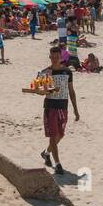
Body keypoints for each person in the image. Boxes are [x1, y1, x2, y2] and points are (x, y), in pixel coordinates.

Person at [39, 44, 79, 175]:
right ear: (49, 57)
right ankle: (58, 164)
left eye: (57, 56)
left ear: (61, 57)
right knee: (53, 136)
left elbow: (71, 91)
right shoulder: (45, 72)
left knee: (60, 135)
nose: (55, 59)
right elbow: (39, 91)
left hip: (63, 107)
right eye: (53, 57)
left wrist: (76, 110)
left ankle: (46, 153)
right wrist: (44, 89)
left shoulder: (67, 72)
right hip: (50, 107)